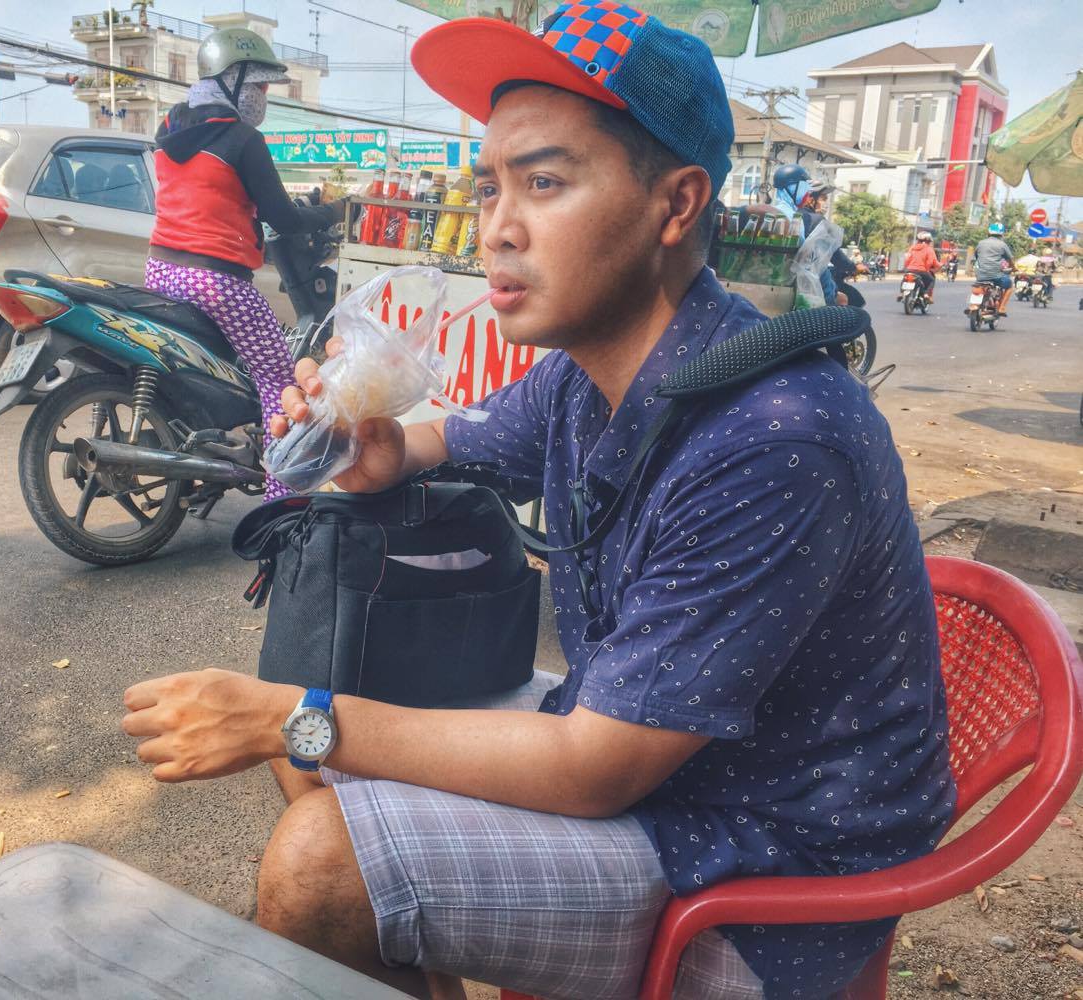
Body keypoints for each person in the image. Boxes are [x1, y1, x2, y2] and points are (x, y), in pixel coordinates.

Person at [119, 6, 954, 999]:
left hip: (764, 853)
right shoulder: (587, 372)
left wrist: (292, 716)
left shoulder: (773, 435)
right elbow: (452, 438)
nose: (497, 228)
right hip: (655, 757)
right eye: (489, 185)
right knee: (318, 741)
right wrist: (378, 448)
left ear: (675, 204)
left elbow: (592, 766)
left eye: (544, 182)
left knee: (315, 847)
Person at [143, 28, 346, 501]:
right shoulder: (242, 138)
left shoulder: (169, 126)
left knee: (220, 367)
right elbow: (284, 218)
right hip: (215, 279)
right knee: (279, 381)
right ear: (231, 82)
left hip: (160, 269)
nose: (263, 97)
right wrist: (339, 210)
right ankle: (281, 498)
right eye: (257, 86)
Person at [771, 164, 845, 304]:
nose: (807, 194)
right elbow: (808, 262)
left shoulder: (774, 210)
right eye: (804, 188)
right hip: (791, 287)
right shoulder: (795, 218)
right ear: (793, 188)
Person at [973, 223, 1016, 316]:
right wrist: (1014, 268)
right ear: (1001, 234)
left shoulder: (981, 243)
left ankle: (976, 305)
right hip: (995, 275)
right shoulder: (1002, 245)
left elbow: (976, 256)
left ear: (989, 232)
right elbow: (1010, 259)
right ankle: (1002, 308)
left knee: (978, 287)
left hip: (980, 275)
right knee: (1009, 285)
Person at [901, 231, 938, 304]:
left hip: (909, 269)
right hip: (922, 271)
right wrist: (927, 269)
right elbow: (930, 262)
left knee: (905, 278)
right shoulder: (929, 249)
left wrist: (907, 267)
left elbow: (907, 259)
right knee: (931, 280)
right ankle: (926, 294)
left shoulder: (912, 248)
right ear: (928, 241)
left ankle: (901, 293)